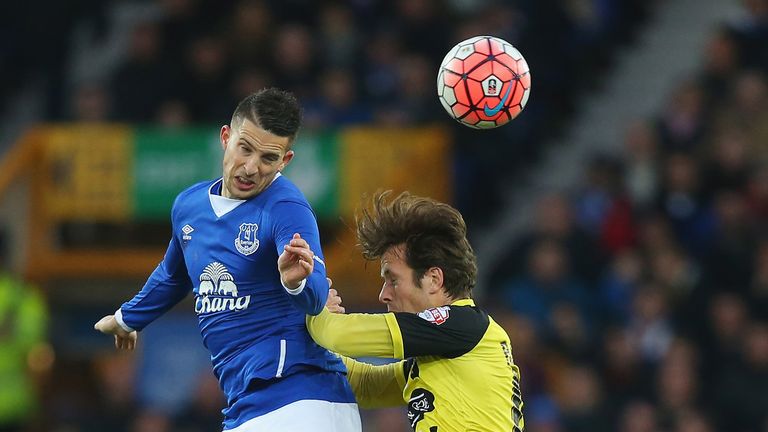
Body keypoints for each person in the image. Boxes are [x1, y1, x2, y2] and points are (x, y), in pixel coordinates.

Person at [94, 88, 360, 431]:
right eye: (245, 149)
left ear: (285, 161)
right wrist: (127, 318)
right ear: (225, 137)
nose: (251, 168)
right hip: (253, 401)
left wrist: (297, 283)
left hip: (297, 396)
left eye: (268, 158)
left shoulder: (285, 208)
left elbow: (316, 294)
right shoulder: (189, 206)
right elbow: (174, 276)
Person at [298, 191, 525, 431]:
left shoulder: (461, 325)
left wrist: (313, 300)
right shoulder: (448, 349)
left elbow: (337, 335)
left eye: (393, 280)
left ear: (433, 279)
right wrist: (308, 344)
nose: (383, 294)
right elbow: (366, 385)